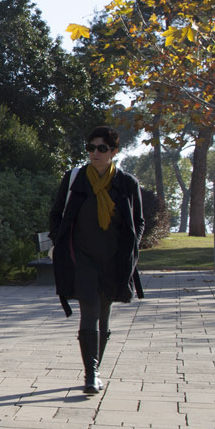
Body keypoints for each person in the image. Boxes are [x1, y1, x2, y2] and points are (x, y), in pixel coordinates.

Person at [47, 126, 145, 395]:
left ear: (114, 151)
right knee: (89, 309)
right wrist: (59, 240)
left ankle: (95, 369)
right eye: (91, 148)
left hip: (113, 260)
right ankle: (91, 375)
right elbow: (56, 214)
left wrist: (132, 249)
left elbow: (138, 222)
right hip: (83, 259)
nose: (95, 153)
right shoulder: (75, 179)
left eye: (102, 148)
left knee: (104, 313)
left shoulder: (126, 183)